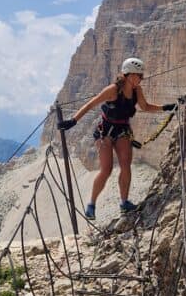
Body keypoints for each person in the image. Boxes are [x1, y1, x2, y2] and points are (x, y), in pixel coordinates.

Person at [58, 57, 175, 219]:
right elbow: (91, 104)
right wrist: (73, 121)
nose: (140, 79)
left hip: (122, 131)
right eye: (138, 75)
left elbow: (145, 107)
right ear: (128, 75)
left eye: (141, 76)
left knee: (126, 165)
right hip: (104, 132)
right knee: (106, 170)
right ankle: (91, 204)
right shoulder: (113, 90)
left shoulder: (137, 91)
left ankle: (124, 203)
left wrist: (166, 107)